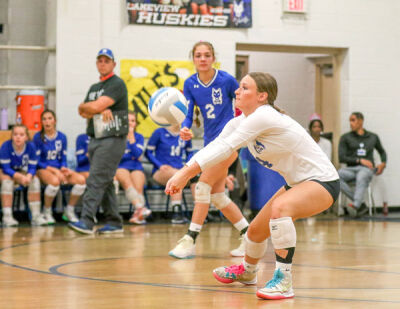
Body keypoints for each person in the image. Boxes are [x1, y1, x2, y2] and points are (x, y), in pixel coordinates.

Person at [165, 72, 340, 300]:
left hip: (323, 182)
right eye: (239, 87)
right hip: (297, 183)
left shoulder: (265, 115)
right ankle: (248, 272)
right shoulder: (240, 121)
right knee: (255, 232)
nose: (237, 91)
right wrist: (186, 170)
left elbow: (227, 147)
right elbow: (217, 145)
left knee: (280, 209)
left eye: (245, 88)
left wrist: (185, 173)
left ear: (262, 96)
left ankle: (284, 281)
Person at [169, 41, 249, 259]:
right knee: (218, 197)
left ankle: (189, 240)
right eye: (198, 55)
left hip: (229, 142)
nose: (202, 59)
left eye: (206, 55)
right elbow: (188, 111)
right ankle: (249, 236)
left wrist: (243, 123)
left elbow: (243, 100)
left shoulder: (226, 80)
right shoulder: (190, 84)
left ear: (213, 58)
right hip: (209, 143)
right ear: (193, 59)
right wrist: (185, 127)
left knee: (202, 188)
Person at [69, 48, 128, 234]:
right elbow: (83, 111)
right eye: (100, 61)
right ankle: (114, 221)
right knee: (106, 181)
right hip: (95, 137)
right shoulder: (94, 88)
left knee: (95, 178)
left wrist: (94, 107)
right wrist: (93, 108)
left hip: (112, 139)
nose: (103, 63)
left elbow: (93, 107)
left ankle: (86, 221)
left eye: (106, 61)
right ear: (97, 64)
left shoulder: (117, 84)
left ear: (113, 64)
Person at [33, 110, 87, 224]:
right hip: (43, 169)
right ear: (42, 122)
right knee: (55, 181)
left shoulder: (62, 137)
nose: (47, 121)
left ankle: (69, 210)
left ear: (55, 121)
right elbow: (37, 161)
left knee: (81, 180)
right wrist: (54, 171)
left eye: (50, 118)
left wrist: (63, 168)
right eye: (44, 119)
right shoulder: (38, 137)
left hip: (58, 169)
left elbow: (63, 157)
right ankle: (47, 211)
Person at [338, 112, 387, 217]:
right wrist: (359, 160)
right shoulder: (345, 138)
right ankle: (361, 205)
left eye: (353, 120)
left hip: (367, 169)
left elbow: (382, 152)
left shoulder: (373, 137)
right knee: (336, 176)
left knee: (362, 175)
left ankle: (356, 204)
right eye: (350, 121)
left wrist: (383, 164)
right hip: (351, 170)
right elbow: (341, 158)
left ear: (360, 121)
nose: (351, 123)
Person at [145, 123, 193, 224]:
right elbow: (148, 153)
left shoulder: (185, 133)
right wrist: (159, 165)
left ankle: (201, 211)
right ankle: (176, 212)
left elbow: (190, 153)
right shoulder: (159, 132)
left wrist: (187, 166)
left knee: (196, 177)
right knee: (176, 176)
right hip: (161, 172)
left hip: (179, 170)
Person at [0, 125, 47, 226]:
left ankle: (35, 216)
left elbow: (32, 167)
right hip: (6, 171)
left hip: (22, 171)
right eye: (15, 134)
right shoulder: (5, 146)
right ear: (11, 136)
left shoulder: (31, 147)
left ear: (26, 137)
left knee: (35, 181)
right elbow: (6, 168)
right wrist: (19, 177)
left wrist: (29, 176)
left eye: (21, 135)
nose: (18, 137)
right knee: (7, 182)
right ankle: (7, 217)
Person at [115, 111, 150, 225]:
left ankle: (138, 215)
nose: (130, 123)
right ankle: (141, 208)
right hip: (121, 166)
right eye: (127, 120)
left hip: (136, 166)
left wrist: (131, 138)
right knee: (126, 181)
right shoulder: (117, 137)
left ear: (136, 123)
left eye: (133, 121)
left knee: (138, 185)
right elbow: (117, 157)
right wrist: (129, 156)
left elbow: (137, 154)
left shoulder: (138, 137)